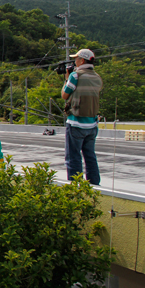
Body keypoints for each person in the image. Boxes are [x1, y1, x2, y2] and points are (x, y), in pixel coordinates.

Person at [61, 48, 103, 185]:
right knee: (90, 156)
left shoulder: (75, 76)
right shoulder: (97, 77)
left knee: (73, 157)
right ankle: (94, 185)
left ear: (82, 60)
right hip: (92, 124)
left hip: (76, 124)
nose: (75, 61)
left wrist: (66, 79)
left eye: (76, 59)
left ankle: (75, 187)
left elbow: (64, 95)